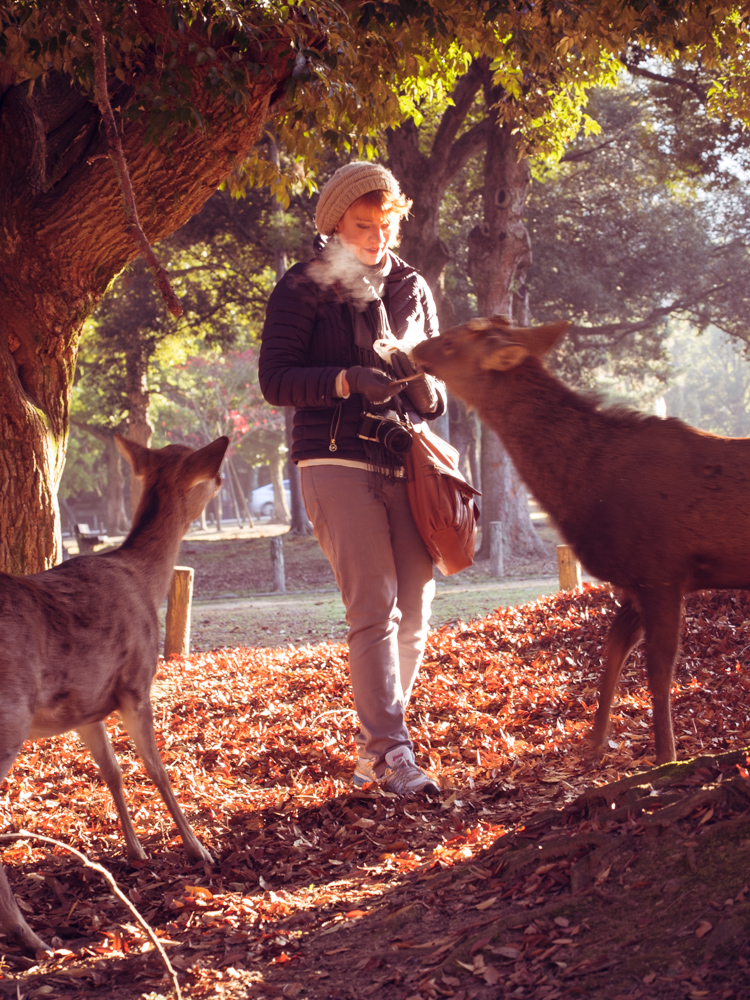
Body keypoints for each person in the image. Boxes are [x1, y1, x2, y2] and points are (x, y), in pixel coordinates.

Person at [259, 161, 447, 797]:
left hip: (406, 458)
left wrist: (422, 383)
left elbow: (438, 394)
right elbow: (275, 380)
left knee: (416, 612)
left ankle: (376, 750)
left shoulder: (411, 285)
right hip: (334, 458)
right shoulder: (305, 286)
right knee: (374, 607)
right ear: (333, 224)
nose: (375, 239)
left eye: (384, 225)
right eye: (362, 226)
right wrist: (345, 380)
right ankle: (392, 750)